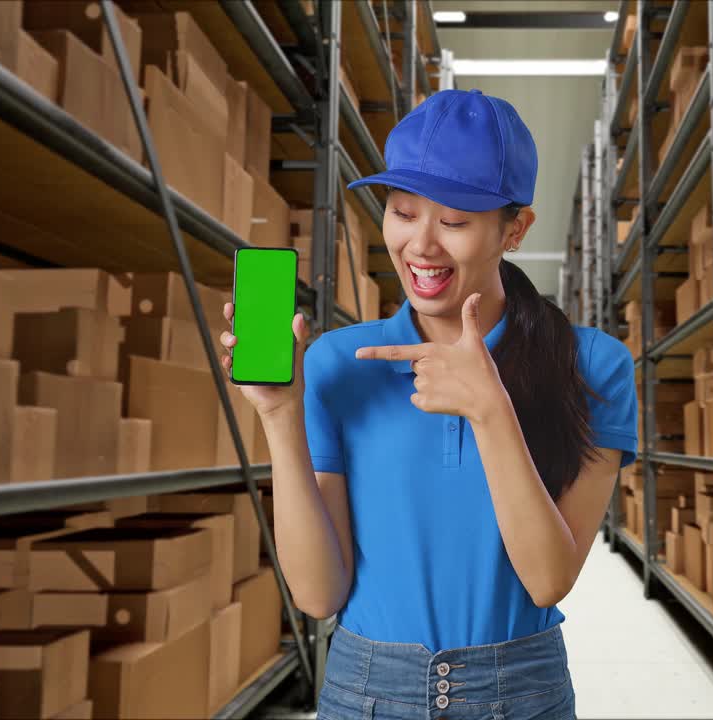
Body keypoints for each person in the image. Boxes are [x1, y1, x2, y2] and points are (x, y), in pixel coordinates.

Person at [219, 88, 637, 720]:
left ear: (515, 229)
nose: (421, 245)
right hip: (364, 692)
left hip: (520, 694)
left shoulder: (594, 366)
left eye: (455, 221)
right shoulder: (337, 363)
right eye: (403, 211)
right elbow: (317, 593)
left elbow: (549, 579)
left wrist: (490, 408)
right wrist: (280, 417)